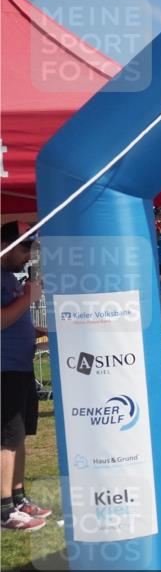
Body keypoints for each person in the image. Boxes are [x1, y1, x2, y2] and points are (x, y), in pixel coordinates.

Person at [1, 223, 51, 532]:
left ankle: (17, 498)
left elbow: (16, 322)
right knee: (6, 439)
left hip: (20, 367)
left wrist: (41, 333)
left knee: (18, 436)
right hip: (4, 369)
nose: (27, 258)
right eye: (23, 249)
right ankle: (4, 508)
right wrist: (29, 297)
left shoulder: (10, 279)